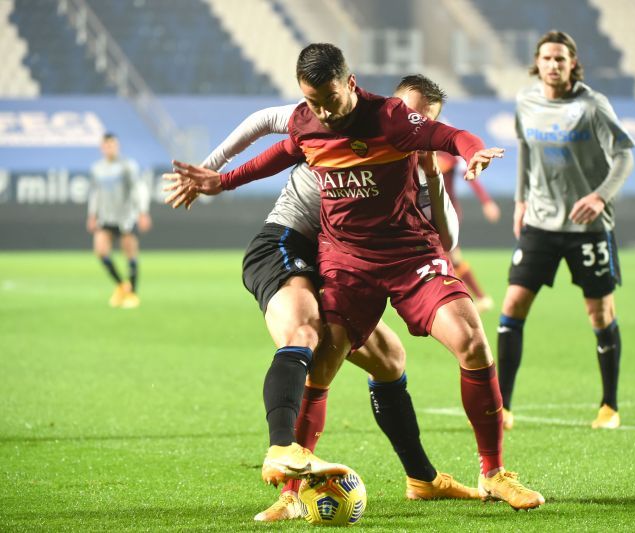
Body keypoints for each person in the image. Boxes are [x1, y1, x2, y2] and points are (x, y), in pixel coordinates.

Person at [169, 43, 544, 511]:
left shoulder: (392, 119)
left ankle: (493, 473)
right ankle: (292, 493)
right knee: (322, 360)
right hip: (345, 260)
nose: (321, 112)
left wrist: (471, 153)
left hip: (409, 254)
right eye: (311, 101)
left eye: (328, 99)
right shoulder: (308, 119)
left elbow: (453, 136)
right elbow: (284, 151)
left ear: (350, 83)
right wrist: (220, 180)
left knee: (471, 340)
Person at [496, 30, 635, 431]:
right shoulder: (526, 100)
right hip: (540, 221)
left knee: (600, 311)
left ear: (573, 62)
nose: (553, 65)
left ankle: (609, 406)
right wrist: (521, 201)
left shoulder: (593, 106)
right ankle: (502, 406)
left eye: (561, 58)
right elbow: (524, 149)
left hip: (587, 226)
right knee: (512, 305)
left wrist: (601, 197)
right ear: (536, 63)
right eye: (547, 58)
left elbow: (624, 155)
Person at [86, 132, 151, 308]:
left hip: (125, 217)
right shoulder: (97, 169)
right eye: (106, 145)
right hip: (105, 217)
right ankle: (122, 286)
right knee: (100, 251)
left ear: (118, 146)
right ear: (102, 148)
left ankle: (133, 294)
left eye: (113, 145)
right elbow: (95, 193)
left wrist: (142, 212)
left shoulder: (127, 166)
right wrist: (92, 214)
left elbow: (138, 189)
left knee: (130, 253)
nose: (110, 148)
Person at [435, 151, 501, 312]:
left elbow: (469, 173)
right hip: (423, 212)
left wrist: (486, 201)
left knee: (449, 255)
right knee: (450, 257)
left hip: (447, 212)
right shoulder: (413, 147)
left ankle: (474, 298)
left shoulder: (446, 150)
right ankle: (479, 298)